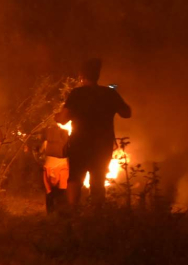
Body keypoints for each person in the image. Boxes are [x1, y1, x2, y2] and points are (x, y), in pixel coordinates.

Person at [57, 58, 131, 208]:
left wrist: (57, 116)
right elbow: (126, 113)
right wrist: (113, 101)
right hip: (103, 144)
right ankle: (96, 214)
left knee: (75, 177)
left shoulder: (77, 94)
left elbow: (63, 120)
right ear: (98, 75)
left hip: (80, 143)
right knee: (98, 179)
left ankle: (73, 210)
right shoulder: (109, 93)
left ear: (82, 76)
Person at [41, 123, 70, 214]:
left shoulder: (47, 138)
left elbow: (41, 150)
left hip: (48, 164)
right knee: (62, 190)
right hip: (62, 165)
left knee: (49, 190)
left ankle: (50, 213)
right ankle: (61, 213)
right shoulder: (64, 135)